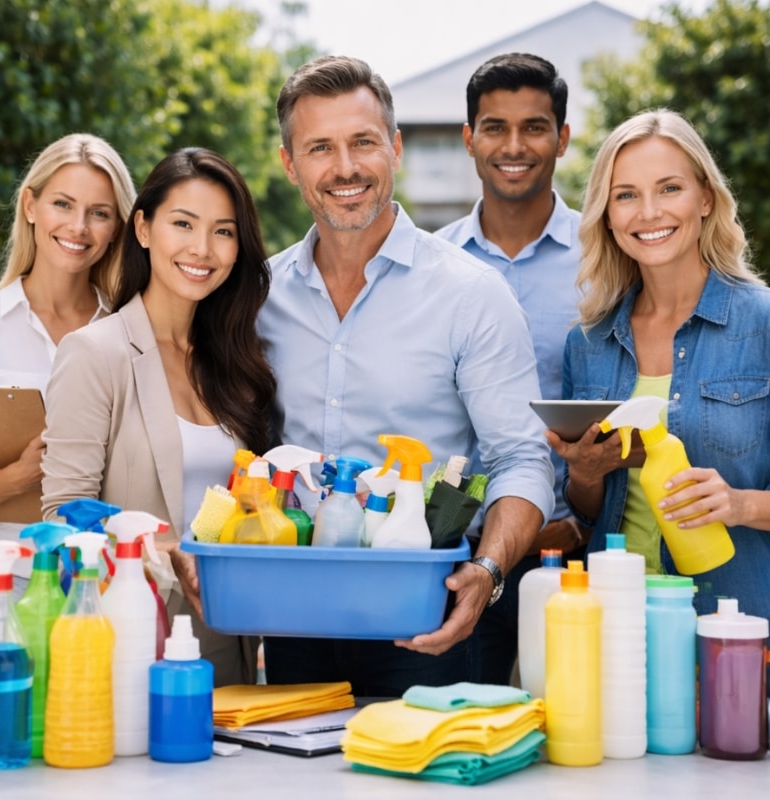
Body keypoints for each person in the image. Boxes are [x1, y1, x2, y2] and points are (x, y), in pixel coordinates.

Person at [256, 55, 555, 697]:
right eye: (319, 147)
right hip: (289, 624)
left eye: (363, 142)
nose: (345, 167)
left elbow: (523, 460)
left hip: (424, 628)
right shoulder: (258, 296)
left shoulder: (472, 294)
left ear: (394, 148)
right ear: (290, 165)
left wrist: (488, 570)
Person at [41, 148, 277, 685]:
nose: (202, 248)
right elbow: (60, 520)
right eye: (183, 224)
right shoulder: (95, 353)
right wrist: (164, 551)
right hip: (130, 646)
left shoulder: (236, 364)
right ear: (143, 229)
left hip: (229, 647)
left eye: (223, 231)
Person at [548, 108, 770, 624]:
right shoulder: (587, 343)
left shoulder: (762, 324)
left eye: (669, 188)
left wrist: (740, 505)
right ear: (607, 215)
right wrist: (584, 471)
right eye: (626, 195)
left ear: (706, 198)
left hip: (734, 625)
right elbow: (587, 509)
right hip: (615, 624)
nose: (648, 212)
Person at [436, 52, 587, 685]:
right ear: (470, 140)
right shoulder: (432, 267)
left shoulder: (605, 260)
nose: (514, 145)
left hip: (573, 555)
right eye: (495, 127)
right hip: (465, 555)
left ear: (562, 138)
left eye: (535, 126)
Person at [0, 133, 135, 625]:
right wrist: (17, 476)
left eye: (100, 213)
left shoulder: (129, 334)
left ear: (117, 228)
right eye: (63, 204)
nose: (79, 227)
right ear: (30, 205)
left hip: (105, 593)